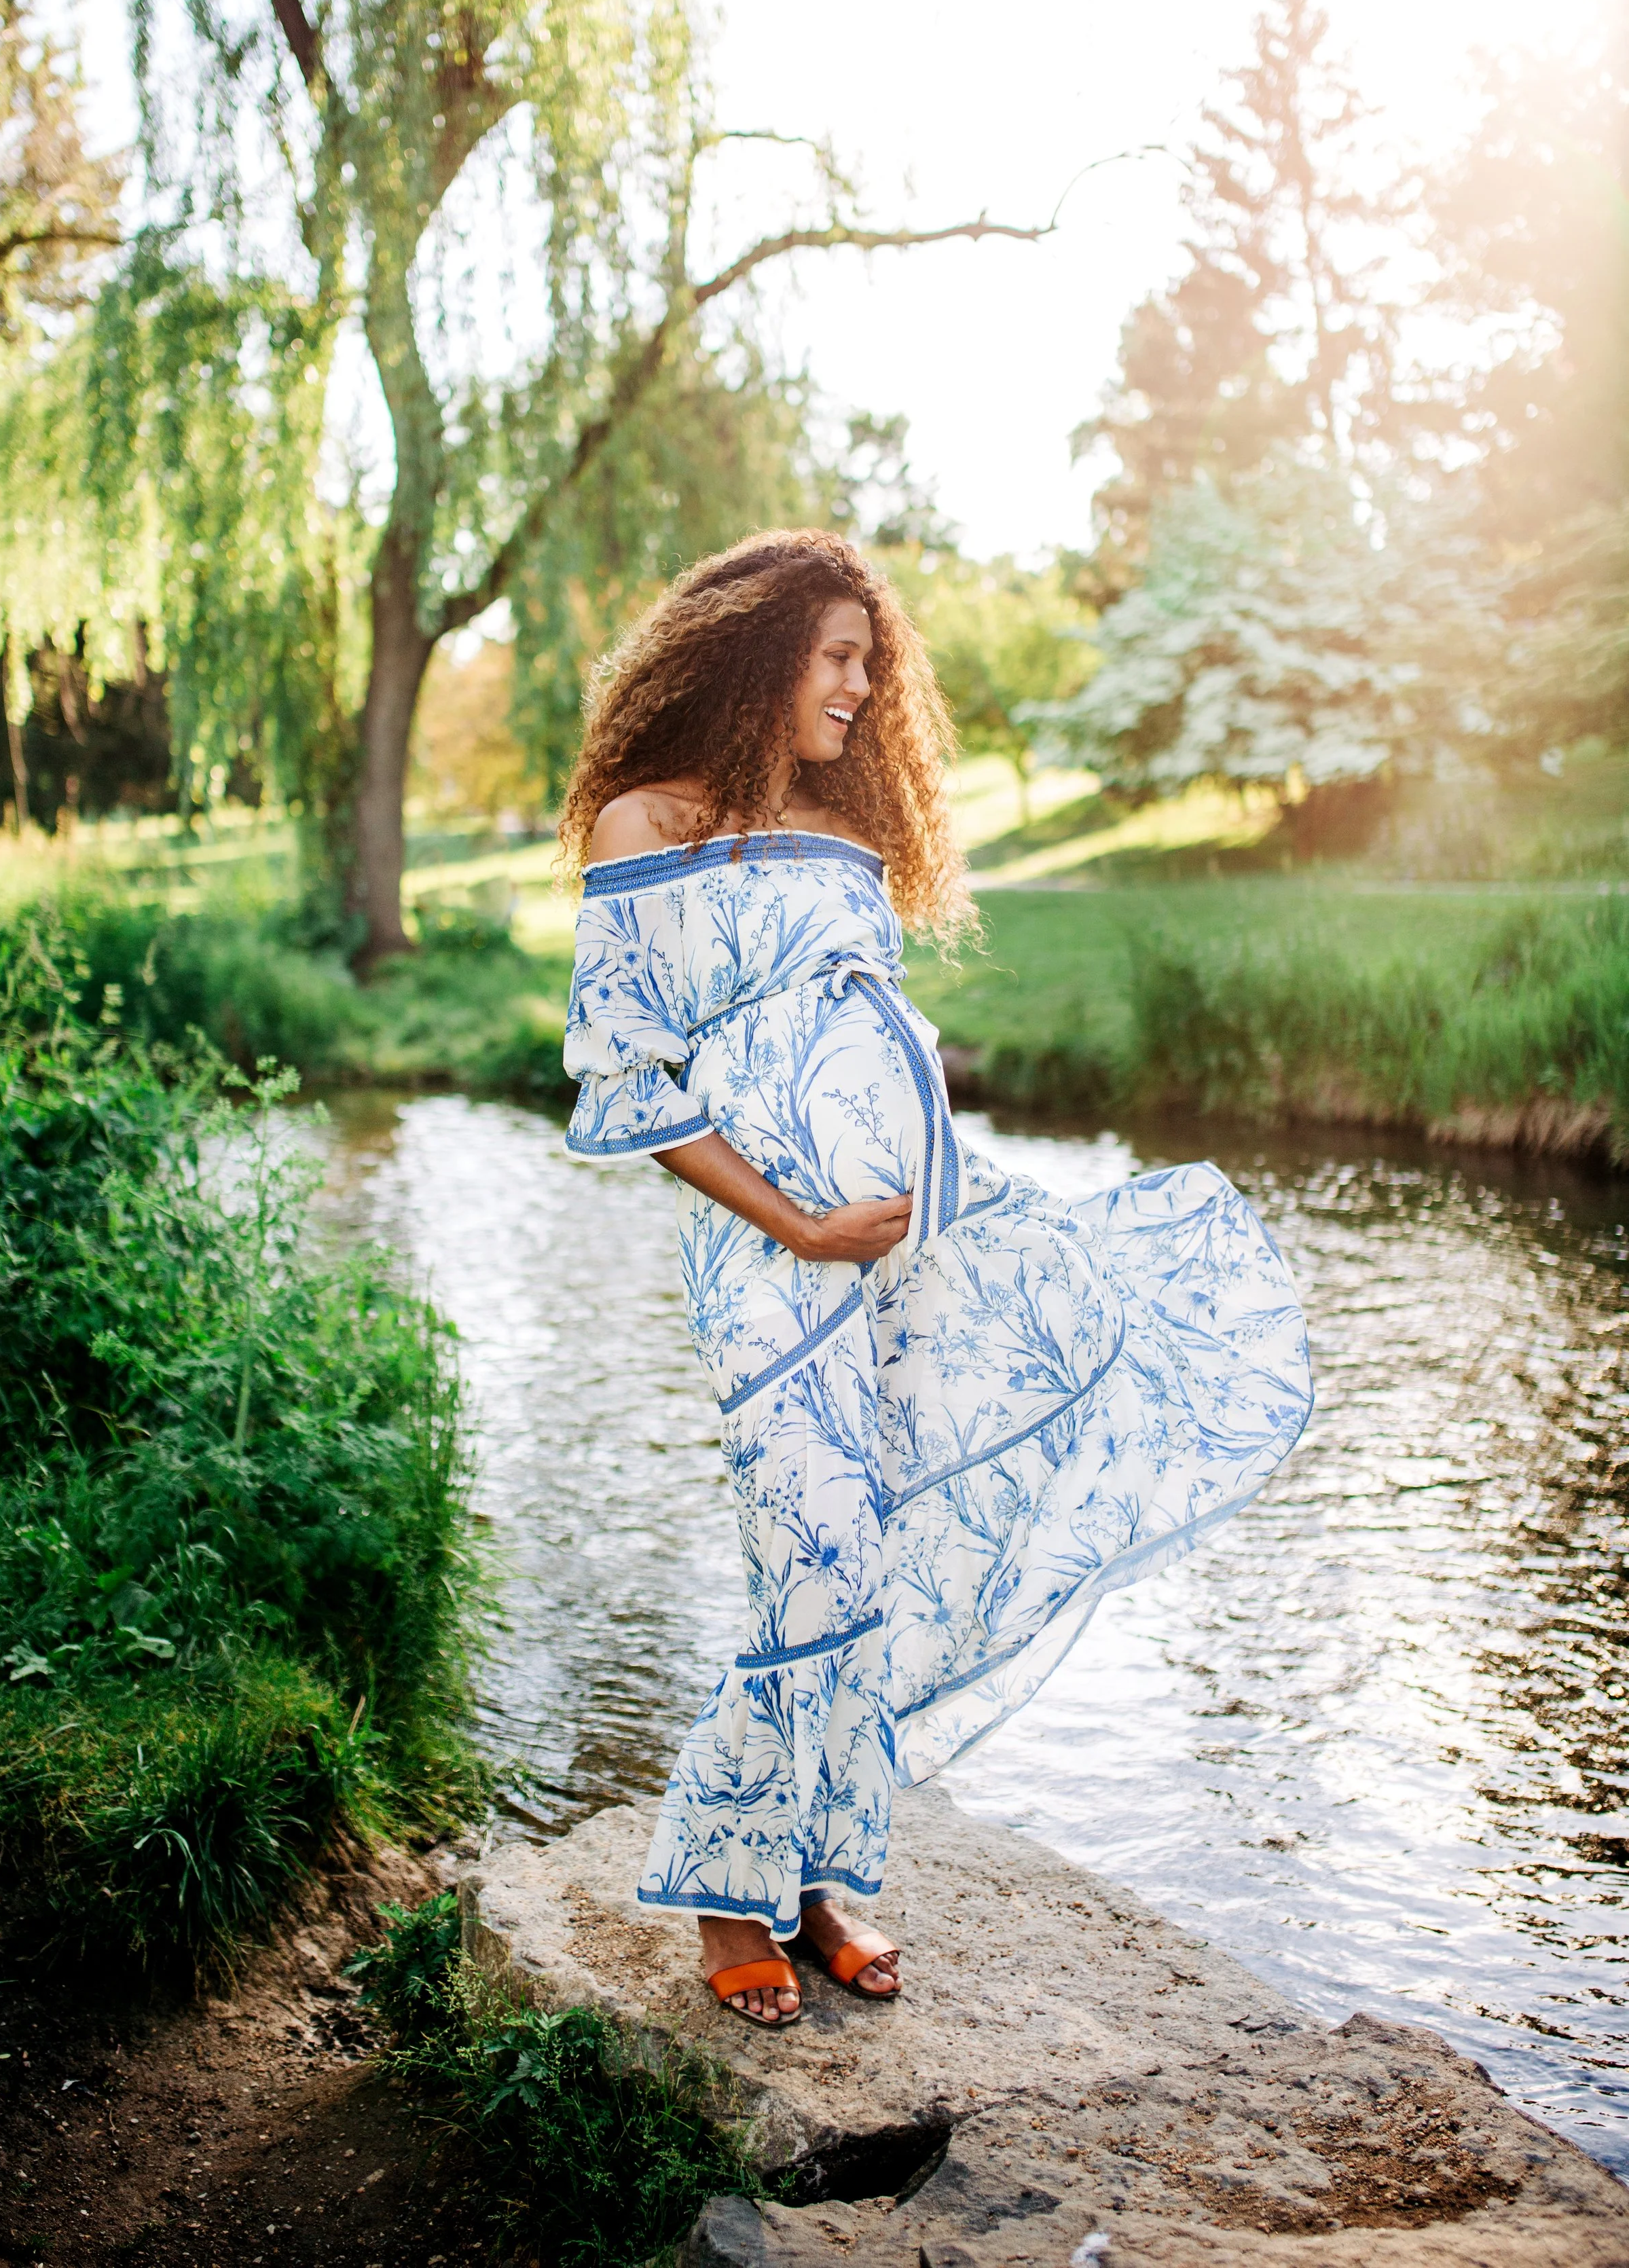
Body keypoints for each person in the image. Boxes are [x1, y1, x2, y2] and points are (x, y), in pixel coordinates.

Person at [557, 529, 1313, 2028]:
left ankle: (822, 1878)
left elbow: (859, 1025)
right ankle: (726, 1891)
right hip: (769, 1261)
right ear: (754, 653)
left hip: (904, 1247)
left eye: (866, 661)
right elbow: (623, 1078)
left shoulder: (840, 826)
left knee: (887, 1542)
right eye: (836, 656)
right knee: (812, 1540)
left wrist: (918, 1193)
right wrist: (796, 1218)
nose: (860, 683)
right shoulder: (644, 822)